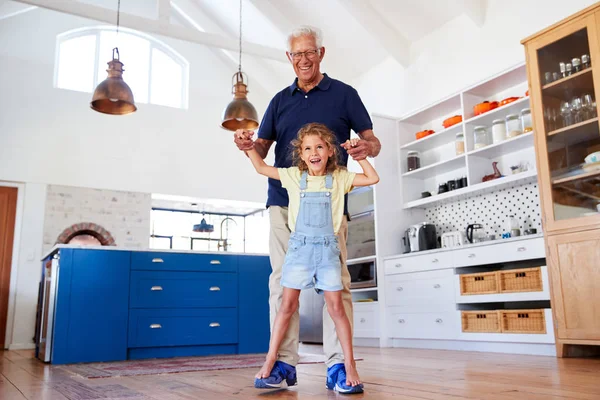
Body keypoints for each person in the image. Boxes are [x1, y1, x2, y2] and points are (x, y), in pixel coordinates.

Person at [233, 26, 381, 393]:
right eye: (296, 54)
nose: (303, 59)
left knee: (337, 288)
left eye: (309, 53)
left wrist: (366, 149)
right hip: (283, 204)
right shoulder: (280, 100)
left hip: (330, 208)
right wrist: (246, 143)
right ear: (289, 58)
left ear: (321, 53)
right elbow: (262, 149)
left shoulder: (345, 95)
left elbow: (372, 140)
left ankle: (337, 367)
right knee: (282, 286)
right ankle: (283, 364)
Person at [245, 123, 379, 393]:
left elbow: (372, 179)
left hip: (328, 251)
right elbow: (261, 168)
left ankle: (349, 364)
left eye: (319, 146)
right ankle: (271, 360)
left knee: (336, 308)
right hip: (299, 251)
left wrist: (360, 156)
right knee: (286, 306)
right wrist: (250, 148)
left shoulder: (340, 177)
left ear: (330, 151)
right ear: (301, 154)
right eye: (307, 148)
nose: (313, 152)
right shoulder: (294, 176)